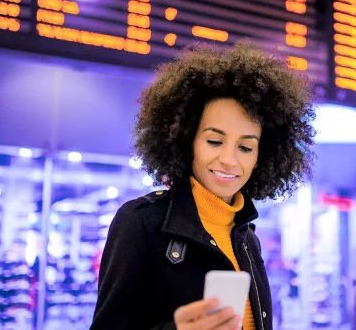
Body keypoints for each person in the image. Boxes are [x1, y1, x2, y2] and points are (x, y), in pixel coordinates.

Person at [90, 41, 316, 330]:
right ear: (187, 141)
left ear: (262, 156)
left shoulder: (248, 240)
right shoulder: (140, 222)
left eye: (245, 147)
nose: (229, 159)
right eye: (214, 141)